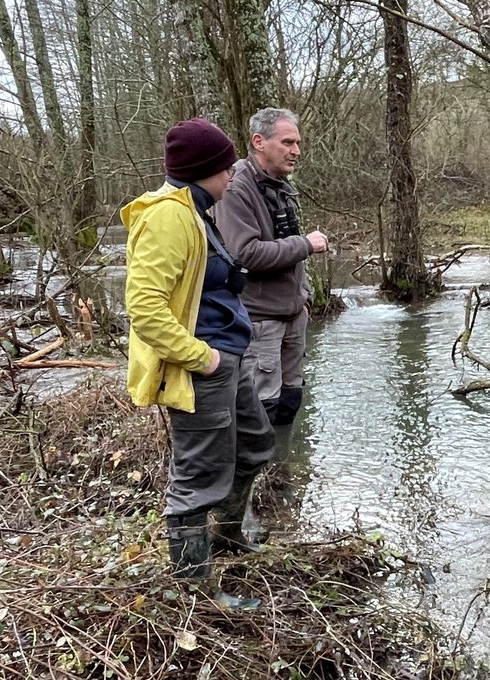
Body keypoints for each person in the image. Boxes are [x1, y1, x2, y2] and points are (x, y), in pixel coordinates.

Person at [122, 118, 274, 610]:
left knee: (254, 445)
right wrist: (200, 357)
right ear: (202, 170)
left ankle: (229, 535)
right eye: (226, 167)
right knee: (198, 476)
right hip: (200, 366)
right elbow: (145, 307)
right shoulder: (168, 217)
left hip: (228, 355)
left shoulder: (200, 209)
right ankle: (195, 591)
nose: (233, 174)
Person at [216, 108, 328, 427]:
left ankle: (286, 471)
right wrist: (305, 244)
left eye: (298, 143)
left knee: (291, 401)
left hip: (292, 315)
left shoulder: (279, 184)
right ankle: (263, 476)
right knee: (262, 411)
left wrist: (303, 298)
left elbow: (283, 242)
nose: (296, 151)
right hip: (260, 321)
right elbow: (246, 254)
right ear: (259, 141)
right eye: (288, 142)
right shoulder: (236, 188)